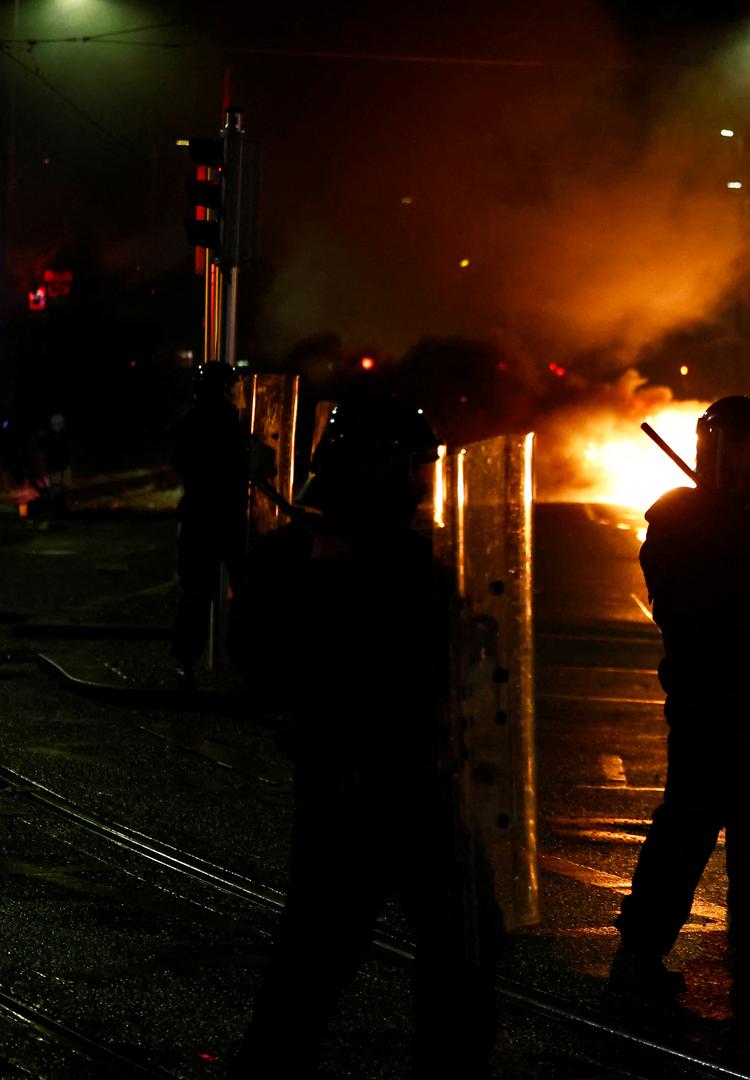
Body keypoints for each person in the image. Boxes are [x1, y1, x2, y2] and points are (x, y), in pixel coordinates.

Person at [230, 398, 501, 1078]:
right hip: (357, 784)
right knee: (319, 958)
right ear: (382, 469)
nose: (423, 480)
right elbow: (263, 665)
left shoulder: (401, 557)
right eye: (415, 466)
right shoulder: (303, 558)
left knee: (454, 946)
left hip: (415, 780)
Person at [611, 397, 750, 1008]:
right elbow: (697, 605)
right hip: (712, 697)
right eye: (740, 444)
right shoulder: (681, 516)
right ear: (713, 447)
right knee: (687, 828)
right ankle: (638, 955)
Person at [169, 363, 250, 687]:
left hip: (197, 515)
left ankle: (186, 663)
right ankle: (243, 660)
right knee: (245, 589)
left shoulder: (184, 425)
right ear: (227, 389)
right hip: (228, 516)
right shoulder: (232, 423)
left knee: (195, 592)